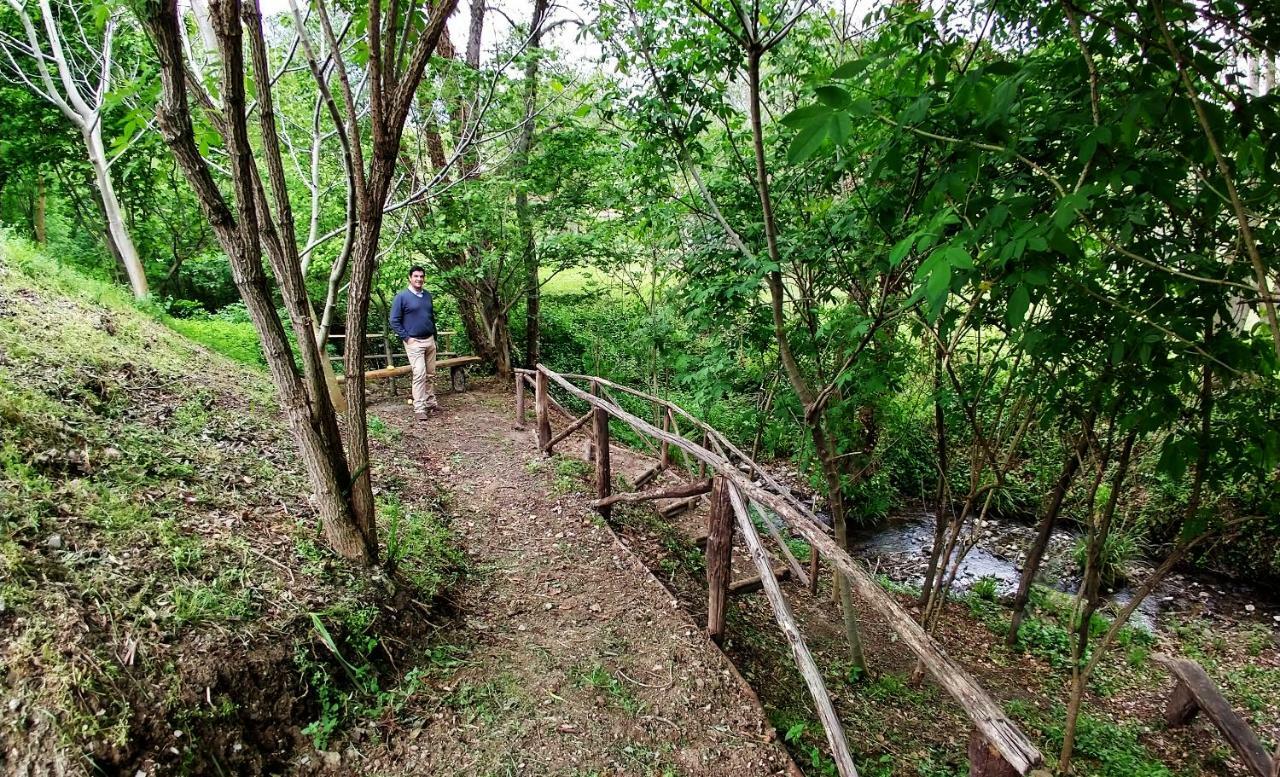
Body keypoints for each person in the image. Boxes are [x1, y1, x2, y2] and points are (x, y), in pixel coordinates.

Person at [389, 266, 439, 420]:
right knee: (419, 374)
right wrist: (407, 338)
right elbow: (394, 320)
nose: (419, 279)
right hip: (414, 342)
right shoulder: (402, 297)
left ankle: (431, 402)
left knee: (430, 374)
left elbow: (431, 317)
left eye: (421, 276)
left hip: (429, 339)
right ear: (410, 278)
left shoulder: (427, 296)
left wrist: (434, 337)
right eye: (416, 276)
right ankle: (419, 408)